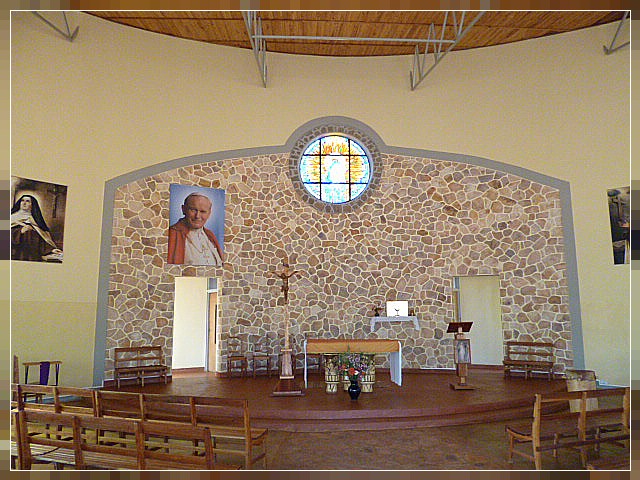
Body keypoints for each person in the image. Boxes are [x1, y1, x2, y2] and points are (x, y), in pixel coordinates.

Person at [167, 192, 223, 265]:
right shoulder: (172, 234)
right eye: (193, 210)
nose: (197, 216)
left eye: (203, 211)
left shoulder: (210, 235)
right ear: (183, 209)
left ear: (209, 213)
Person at [11, 194, 63, 262]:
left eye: (27, 201)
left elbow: (41, 239)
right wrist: (20, 231)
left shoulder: (35, 220)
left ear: (32, 205)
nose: (24, 203)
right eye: (22, 200)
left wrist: (51, 249)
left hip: (32, 256)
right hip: (15, 253)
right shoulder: (12, 218)